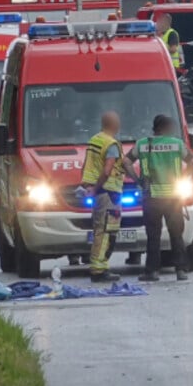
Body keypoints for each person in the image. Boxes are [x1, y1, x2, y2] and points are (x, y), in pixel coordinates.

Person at [126, 114, 193, 282]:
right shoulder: (177, 144)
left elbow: (126, 161)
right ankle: (181, 270)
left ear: (155, 128)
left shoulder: (143, 144)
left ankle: (152, 271)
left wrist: (137, 180)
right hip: (173, 198)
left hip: (152, 197)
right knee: (176, 234)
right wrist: (183, 178)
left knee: (153, 236)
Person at [80, 111, 128, 283]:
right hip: (109, 191)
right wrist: (97, 188)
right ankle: (99, 269)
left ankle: (99, 266)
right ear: (114, 125)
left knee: (100, 229)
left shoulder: (95, 139)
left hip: (99, 192)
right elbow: (107, 170)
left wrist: (90, 187)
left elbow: (88, 164)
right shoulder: (111, 144)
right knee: (106, 231)